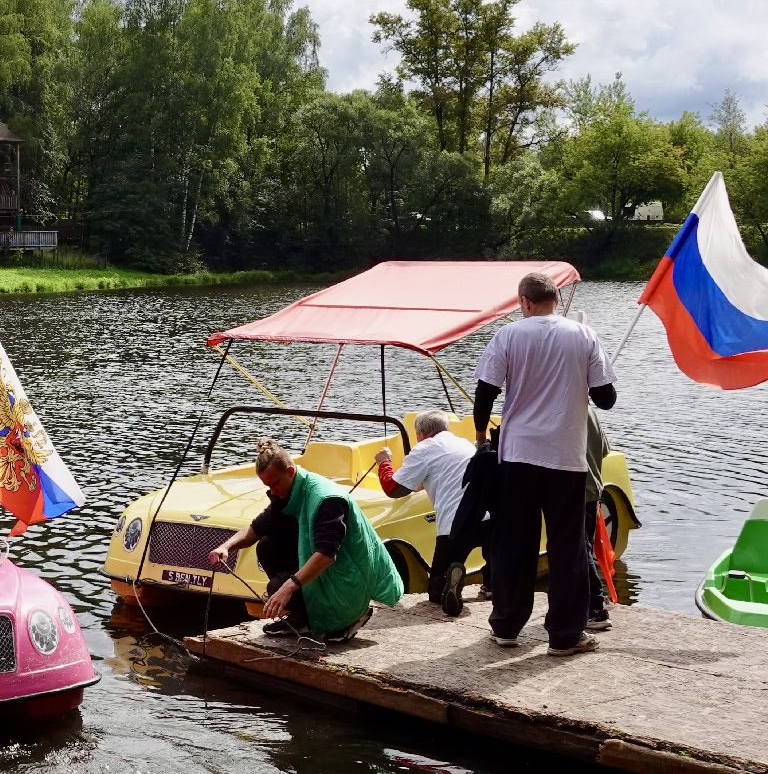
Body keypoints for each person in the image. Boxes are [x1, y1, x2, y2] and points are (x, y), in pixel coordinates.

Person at [472, 271, 617, 656]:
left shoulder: (508, 335)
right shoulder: (584, 335)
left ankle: (506, 627)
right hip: (566, 457)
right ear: (557, 299)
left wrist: (481, 438)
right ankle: (565, 636)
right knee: (567, 548)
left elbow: (485, 392)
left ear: (525, 301)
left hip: (518, 455)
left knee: (514, 543)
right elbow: (606, 400)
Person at [207, 438, 405, 642]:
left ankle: (352, 616)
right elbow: (257, 528)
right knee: (267, 546)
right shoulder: (288, 491)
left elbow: (327, 555)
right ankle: (303, 618)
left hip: (349, 572)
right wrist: (226, 547)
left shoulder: (327, 499)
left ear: (290, 471)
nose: (272, 491)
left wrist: (288, 587)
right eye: (267, 486)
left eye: (274, 484)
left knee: (279, 587)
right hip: (328, 564)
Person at [373, 410, 476, 609]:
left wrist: (384, 463)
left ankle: (447, 583)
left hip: (455, 523)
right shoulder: (464, 444)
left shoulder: (424, 449)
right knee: (492, 557)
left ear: (420, 433)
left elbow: (393, 489)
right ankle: (490, 584)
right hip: (487, 518)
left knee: (436, 592)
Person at [582, 407, 615, 632]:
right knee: (584, 548)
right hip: (593, 489)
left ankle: (596, 607)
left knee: (579, 550)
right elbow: (604, 450)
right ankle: (593, 604)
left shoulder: (564, 409)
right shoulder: (589, 411)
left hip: (577, 488)